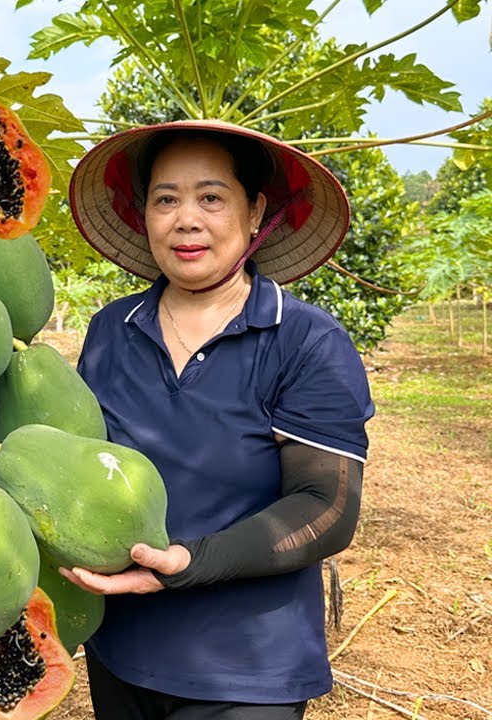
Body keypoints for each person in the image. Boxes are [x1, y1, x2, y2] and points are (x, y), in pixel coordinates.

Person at [65, 121, 373, 720]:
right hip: (120, 649)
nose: (186, 219)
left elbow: (327, 508)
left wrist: (190, 563)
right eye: (165, 199)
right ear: (144, 215)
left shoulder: (306, 340)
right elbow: (82, 463)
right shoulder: (111, 331)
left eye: (211, 197)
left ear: (255, 212)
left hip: (248, 673)